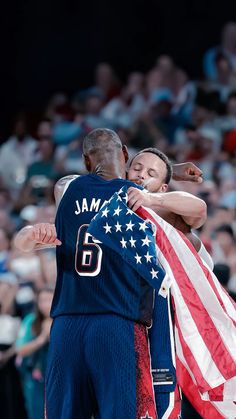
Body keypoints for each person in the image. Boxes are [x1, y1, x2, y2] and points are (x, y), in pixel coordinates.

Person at [15, 130, 204, 419]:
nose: (140, 174)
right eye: (138, 167)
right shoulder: (141, 201)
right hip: (118, 323)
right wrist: (167, 178)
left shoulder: (67, 187)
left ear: (85, 161)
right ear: (125, 156)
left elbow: (23, 242)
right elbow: (198, 210)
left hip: (68, 323)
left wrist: (28, 236)